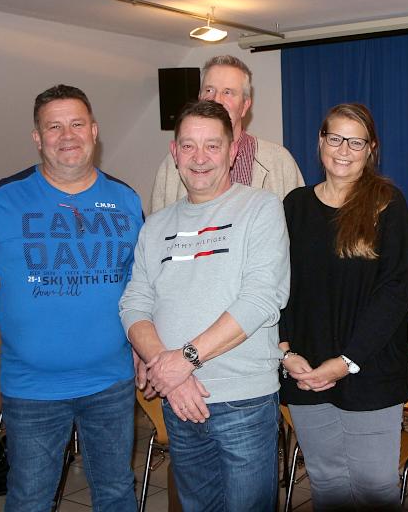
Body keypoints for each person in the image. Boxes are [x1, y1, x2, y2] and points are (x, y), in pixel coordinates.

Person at [0, 84, 143, 511]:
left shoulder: (126, 200)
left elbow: (141, 287)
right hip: (32, 386)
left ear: (94, 131)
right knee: (30, 497)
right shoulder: (3, 200)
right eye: (53, 126)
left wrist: (143, 348)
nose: (67, 135)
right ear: (37, 138)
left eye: (76, 124)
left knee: (115, 491)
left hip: (110, 382)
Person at [119, 99, 289, 511]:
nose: (200, 158)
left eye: (212, 146)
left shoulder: (261, 208)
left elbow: (263, 298)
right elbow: (134, 302)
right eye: (189, 146)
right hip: (178, 399)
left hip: (243, 402)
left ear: (232, 152)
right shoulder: (156, 225)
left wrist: (186, 359)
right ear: (174, 153)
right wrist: (167, 366)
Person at [279, 103, 408, 511]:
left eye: (355, 141)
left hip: (368, 370)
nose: (343, 149)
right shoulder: (295, 205)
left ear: (371, 148)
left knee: (373, 489)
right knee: (326, 482)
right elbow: (278, 285)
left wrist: (347, 361)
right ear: (320, 141)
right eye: (334, 137)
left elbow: (396, 292)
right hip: (305, 371)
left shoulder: (388, 204)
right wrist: (285, 352)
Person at [150, 54, 303, 211]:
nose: (216, 99)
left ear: (245, 106)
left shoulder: (279, 162)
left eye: (228, 92)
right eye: (209, 90)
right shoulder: (172, 164)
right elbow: (158, 227)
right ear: (199, 98)